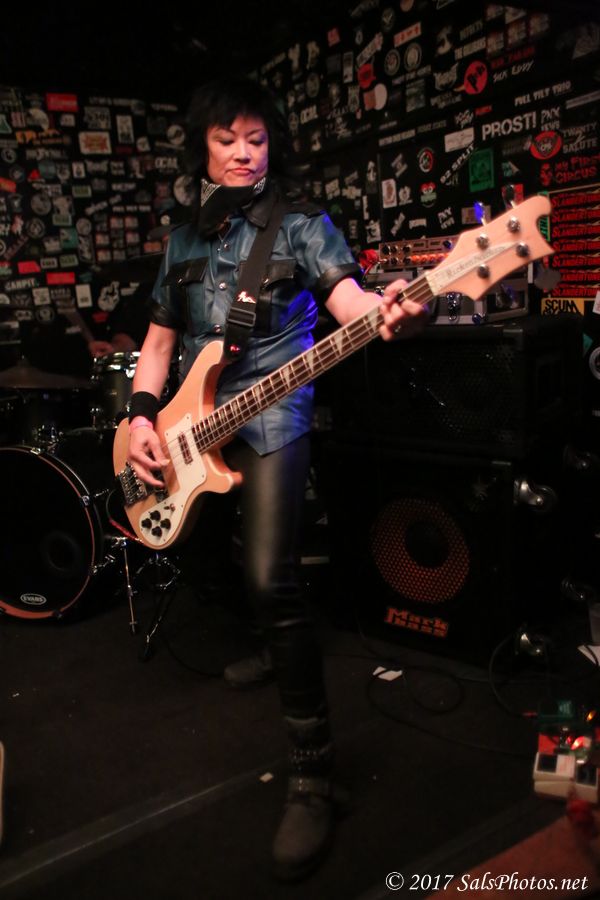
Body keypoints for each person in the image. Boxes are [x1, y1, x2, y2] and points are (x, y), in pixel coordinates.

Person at [125, 76, 428, 881]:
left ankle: (311, 771)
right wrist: (141, 418)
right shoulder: (182, 242)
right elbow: (158, 344)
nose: (242, 153)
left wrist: (390, 310)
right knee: (199, 557)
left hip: (272, 410)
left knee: (270, 574)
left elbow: (349, 299)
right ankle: (266, 640)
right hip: (191, 428)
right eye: (227, 140)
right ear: (203, 148)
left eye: (256, 140)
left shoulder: (300, 224)